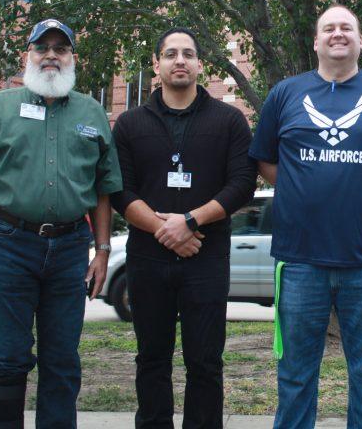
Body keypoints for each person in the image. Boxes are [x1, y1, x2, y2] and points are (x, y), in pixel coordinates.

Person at [249, 5, 362, 429]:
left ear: (360, 41)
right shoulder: (285, 93)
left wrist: (356, 181)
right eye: (329, 28)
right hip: (301, 258)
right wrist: (305, 184)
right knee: (296, 376)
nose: (337, 34)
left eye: (347, 28)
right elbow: (265, 161)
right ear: (316, 41)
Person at [0, 19, 123, 428]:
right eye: (42, 47)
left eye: (60, 48)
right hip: (7, 243)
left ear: (72, 58)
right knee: (9, 354)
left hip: (69, 250)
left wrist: (102, 252)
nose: (51, 55)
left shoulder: (92, 112)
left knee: (62, 358)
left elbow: (103, 191)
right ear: (26, 56)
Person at [110, 27, 255, 428]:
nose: (180, 61)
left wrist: (190, 221)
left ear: (199, 65)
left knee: (205, 362)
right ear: (156, 66)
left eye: (188, 54)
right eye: (171, 54)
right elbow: (121, 190)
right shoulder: (129, 124)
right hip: (147, 260)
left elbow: (242, 184)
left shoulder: (229, 121)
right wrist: (166, 230)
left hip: (206, 259)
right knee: (152, 359)